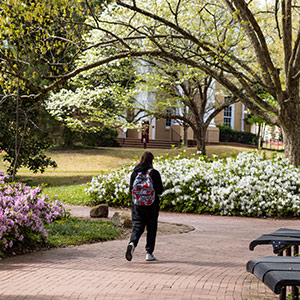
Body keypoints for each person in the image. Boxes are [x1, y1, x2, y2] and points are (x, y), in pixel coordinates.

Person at [125, 151, 163, 262]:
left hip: (137, 205)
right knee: (151, 228)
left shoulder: (135, 173)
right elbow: (160, 190)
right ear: (152, 160)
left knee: (137, 226)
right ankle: (149, 253)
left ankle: (132, 243)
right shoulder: (154, 173)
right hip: (152, 205)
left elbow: (130, 190)